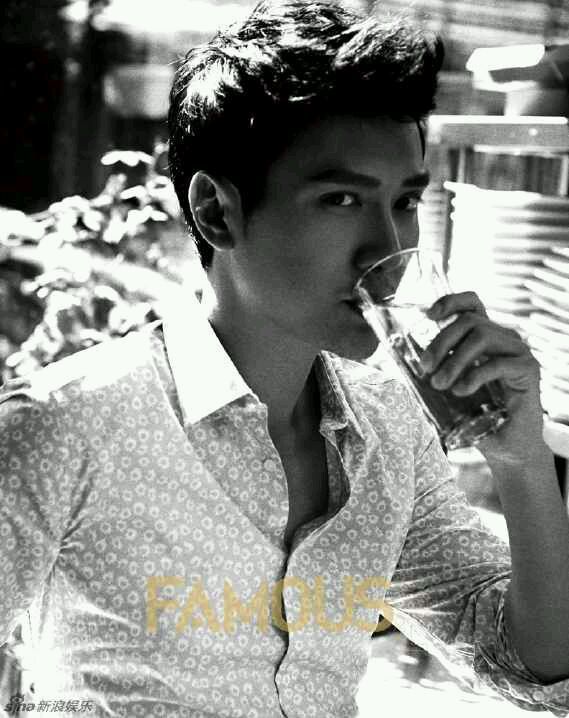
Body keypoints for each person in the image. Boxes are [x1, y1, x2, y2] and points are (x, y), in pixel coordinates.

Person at [1, 1, 569, 716]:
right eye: (341, 199)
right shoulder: (60, 429)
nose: (387, 248)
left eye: (405, 201)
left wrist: (521, 459)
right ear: (216, 211)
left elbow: (534, 664)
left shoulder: (391, 430)